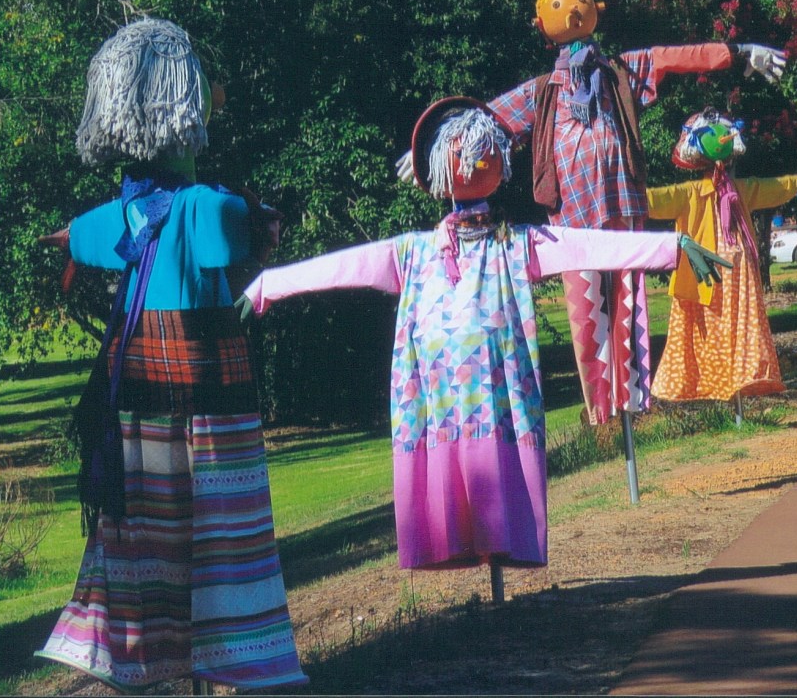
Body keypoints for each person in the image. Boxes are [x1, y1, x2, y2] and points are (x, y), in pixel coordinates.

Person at [241, 98, 729, 571]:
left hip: (498, 396)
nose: (477, 160)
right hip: (439, 402)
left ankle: (503, 540)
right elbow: (340, 266)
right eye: (464, 151)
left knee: (496, 471)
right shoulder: (412, 253)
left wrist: (673, 245)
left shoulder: (520, 244)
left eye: (485, 149)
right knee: (452, 476)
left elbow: (589, 244)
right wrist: (269, 285)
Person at [35, 18, 306, 692]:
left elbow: (87, 236)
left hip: (136, 381)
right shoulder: (203, 207)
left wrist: (70, 235)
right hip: (204, 382)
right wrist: (263, 214)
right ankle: (228, 654)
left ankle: (151, 657)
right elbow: (231, 232)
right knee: (214, 518)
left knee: (148, 520)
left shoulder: (126, 214)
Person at [399, 0, 784, 427]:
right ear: (542, 24)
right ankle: (600, 415)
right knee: (586, 319)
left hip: (623, 208)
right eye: (563, 5)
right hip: (572, 220)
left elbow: (676, 57)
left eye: (580, 2)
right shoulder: (543, 91)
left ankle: (633, 407)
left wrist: (736, 55)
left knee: (629, 304)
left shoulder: (619, 72)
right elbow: (488, 118)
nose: (574, 11)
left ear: (595, 8)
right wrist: (433, 149)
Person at [646, 107, 797, 403]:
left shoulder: (738, 190)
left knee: (737, 327)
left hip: (738, 274)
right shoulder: (692, 193)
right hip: (705, 273)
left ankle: (742, 381)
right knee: (708, 328)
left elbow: (777, 187)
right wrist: (618, 193)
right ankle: (716, 387)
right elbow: (653, 200)